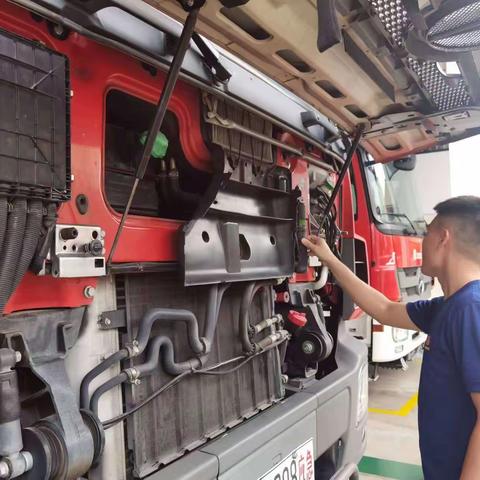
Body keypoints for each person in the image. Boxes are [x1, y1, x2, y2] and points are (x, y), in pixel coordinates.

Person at [302, 196, 480, 480]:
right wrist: (330, 259)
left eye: (426, 233)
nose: (421, 243)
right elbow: (384, 309)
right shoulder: (448, 307)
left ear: (443, 239)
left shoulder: (470, 308)